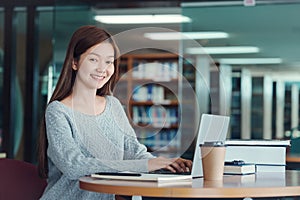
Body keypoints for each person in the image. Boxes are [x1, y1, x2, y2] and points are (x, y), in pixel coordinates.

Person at [37, 25, 192, 200]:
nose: (102, 68)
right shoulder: (58, 111)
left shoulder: (113, 105)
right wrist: (146, 164)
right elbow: (74, 165)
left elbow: (134, 151)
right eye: (93, 60)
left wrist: (164, 163)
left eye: (109, 61)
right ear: (74, 62)